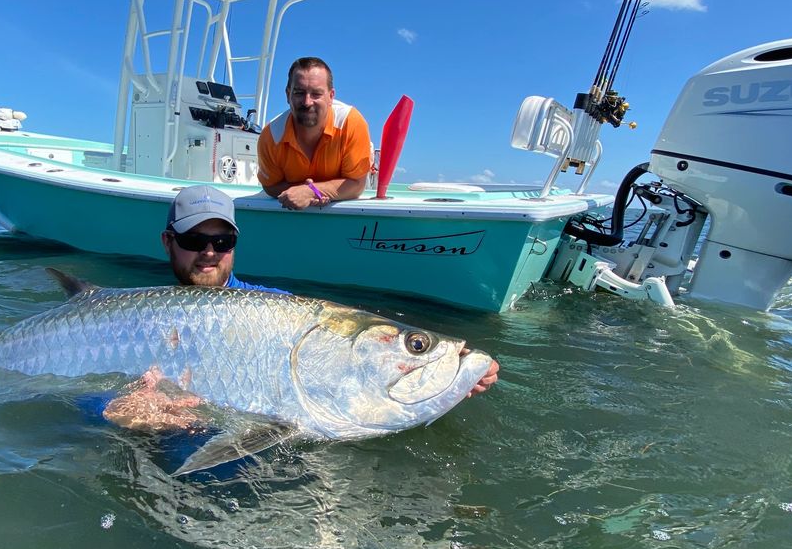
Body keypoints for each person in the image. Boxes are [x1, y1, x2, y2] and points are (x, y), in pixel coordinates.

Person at [99, 185, 498, 437]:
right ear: (168, 241)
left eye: (222, 240)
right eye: (194, 238)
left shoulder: (282, 309)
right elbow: (73, 392)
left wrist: (453, 382)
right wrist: (117, 411)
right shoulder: (120, 318)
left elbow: (355, 385)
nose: (208, 251)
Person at [257, 57, 372, 210]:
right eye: (299, 92)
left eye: (316, 94)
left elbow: (357, 185)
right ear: (287, 94)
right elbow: (270, 186)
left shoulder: (350, 123)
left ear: (331, 96)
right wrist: (306, 193)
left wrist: (311, 191)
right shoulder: (271, 135)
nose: (307, 102)